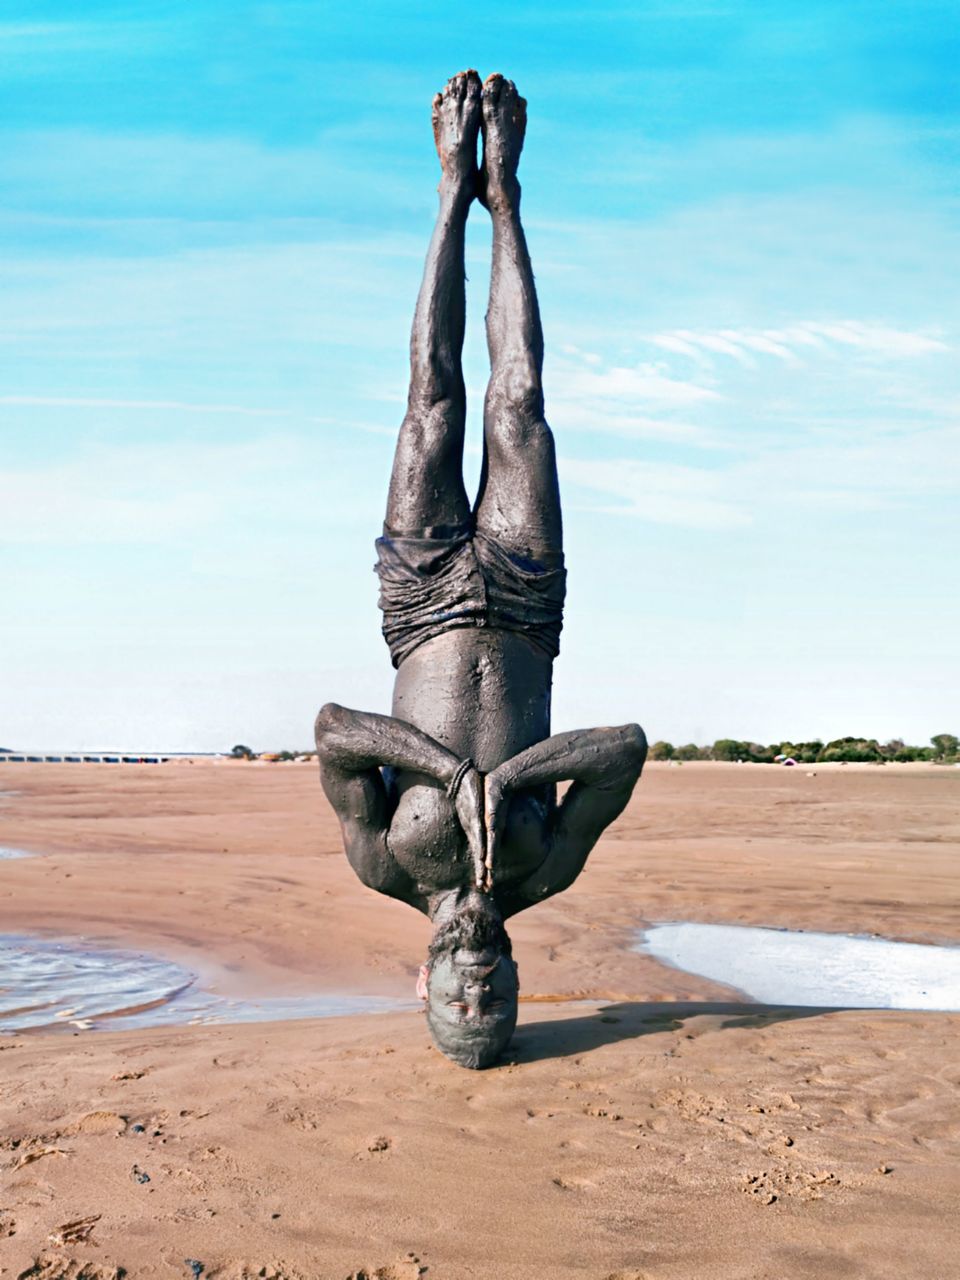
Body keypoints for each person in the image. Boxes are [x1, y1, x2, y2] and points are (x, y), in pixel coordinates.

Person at [315, 70, 646, 1068]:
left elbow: (333, 733)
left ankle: (449, 190)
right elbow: (622, 747)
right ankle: (504, 196)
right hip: (524, 597)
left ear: (425, 983)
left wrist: (447, 770)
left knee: (430, 406)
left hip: (418, 603)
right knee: (519, 403)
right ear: (516, 982)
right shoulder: (543, 868)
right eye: (494, 989)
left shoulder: (384, 864)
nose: (477, 972)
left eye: (459, 990)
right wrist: (510, 780)